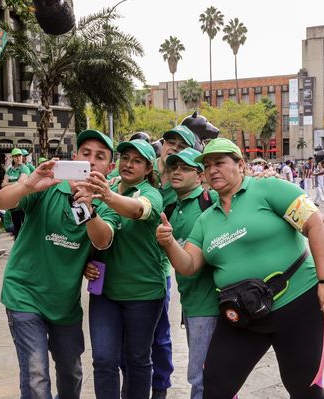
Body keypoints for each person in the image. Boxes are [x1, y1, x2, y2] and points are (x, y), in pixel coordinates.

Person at [156, 138, 324, 399]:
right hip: (243, 314)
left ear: (240, 165)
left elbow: (316, 225)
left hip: (298, 304)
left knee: (303, 386)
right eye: (207, 165)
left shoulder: (269, 189)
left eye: (220, 163)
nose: (213, 170)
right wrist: (168, 243)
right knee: (216, 384)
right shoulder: (206, 219)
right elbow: (189, 266)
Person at [0, 129, 118, 399]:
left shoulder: (106, 203)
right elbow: (0, 202)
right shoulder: (47, 188)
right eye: (86, 154)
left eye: (100, 157)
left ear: (110, 167)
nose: (91, 161)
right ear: (75, 158)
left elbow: (103, 239)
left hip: (65, 305)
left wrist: (87, 208)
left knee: (70, 371)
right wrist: (28, 185)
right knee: (36, 375)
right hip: (24, 295)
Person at [83, 139, 165, 399]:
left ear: (148, 167)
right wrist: (86, 260)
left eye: (137, 160)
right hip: (106, 293)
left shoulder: (150, 193)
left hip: (144, 293)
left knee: (137, 360)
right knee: (104, 360)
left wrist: (107, 196)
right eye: (125, 157)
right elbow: (95, 233)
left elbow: (138, 210)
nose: (129, 164)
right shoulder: (103, 188)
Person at [163, 148, 219, 399]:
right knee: (208, 373)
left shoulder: (211, 198)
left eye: (184, 168)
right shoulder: (172, 206)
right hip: (190, 300)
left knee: (201, 376)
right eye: (173, 167)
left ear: (199, 176)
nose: (177, 172)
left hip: (211, 304)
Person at [149, 125, 197, 398]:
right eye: (171, 142)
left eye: (182, 146)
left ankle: (161, 385)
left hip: (160, 267)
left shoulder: (183, 184)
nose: (174, 148)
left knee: (160, 332)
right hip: (127, 263)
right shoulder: (144, 168)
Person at [1, 148, 30, 238]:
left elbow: (21, 183)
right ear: (12, 158)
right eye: (16, 156)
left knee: (26, 225)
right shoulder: (10, 170)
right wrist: (15, 183)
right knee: (17, 227)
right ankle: (18, 248)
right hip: (13, 201)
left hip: (23, 201)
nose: (18, 158)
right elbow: (3, 184)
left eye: (20, 155)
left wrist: (9, 184)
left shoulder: (24, 168)